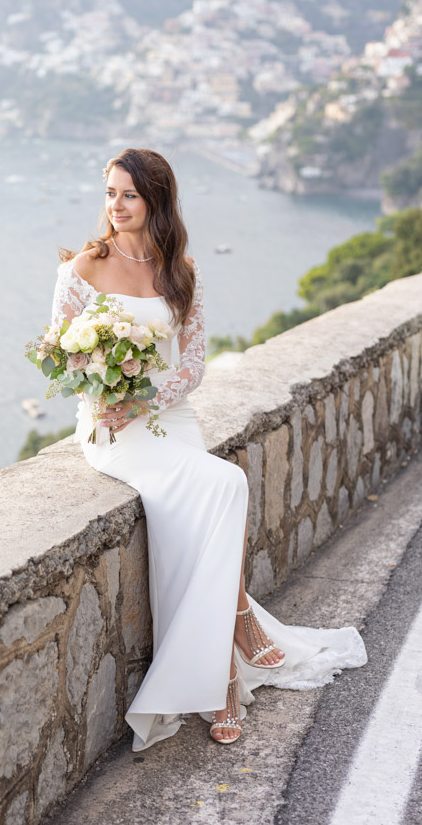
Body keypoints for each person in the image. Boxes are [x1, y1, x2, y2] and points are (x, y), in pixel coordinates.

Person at [50, 147, 366, 751]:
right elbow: (61, 355)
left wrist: (145, 398)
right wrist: (105, 393)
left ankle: (225, 664)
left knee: (209, 506)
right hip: (111, 430)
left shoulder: (181, 271)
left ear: (156, 201)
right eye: (110, 193)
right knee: (226, 484)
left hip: (170, 418)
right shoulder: (82, 270)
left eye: (129, 195)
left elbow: (193, 365)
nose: (115, 206)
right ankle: (234, 642)